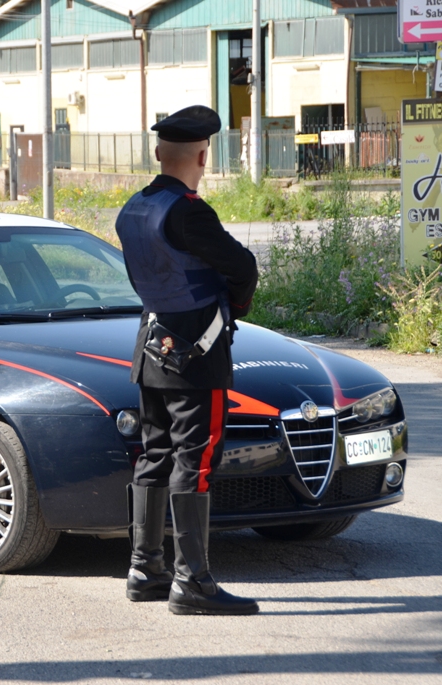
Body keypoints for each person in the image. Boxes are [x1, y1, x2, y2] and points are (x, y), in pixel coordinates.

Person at [115, 105, 259, 616]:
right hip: (196, 352)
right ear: (202, 156)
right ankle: (192, 582)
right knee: (195, 460)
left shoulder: (133, 207)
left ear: (158, 155)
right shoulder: (189, 210)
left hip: (151, 344)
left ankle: (144, 568)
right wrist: (234, 309)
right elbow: (243, 267)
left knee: (154, 453)